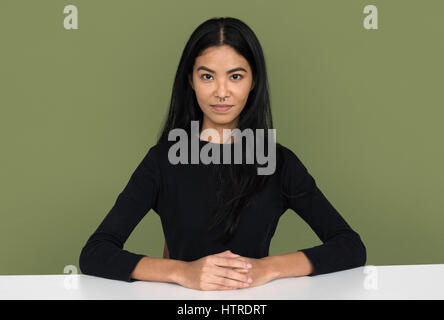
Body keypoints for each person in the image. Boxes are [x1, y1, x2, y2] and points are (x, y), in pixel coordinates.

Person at [79, 17, 366, 291]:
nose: (221, 92)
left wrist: (267, 268)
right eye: (207, 76)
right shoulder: (163, 160)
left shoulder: (278, 163)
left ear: (253, 81)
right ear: (191, 80)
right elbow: (95, 253)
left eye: (235, 76)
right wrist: (183, 272)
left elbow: (349, 246)